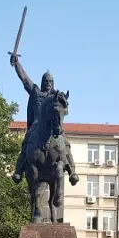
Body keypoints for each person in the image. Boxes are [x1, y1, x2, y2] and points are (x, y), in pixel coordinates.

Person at [10, 54, 79, 185]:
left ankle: (72, 171)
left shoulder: (55, 96)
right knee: (26, 144)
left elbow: (64, 106)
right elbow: (24, 78)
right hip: (37, 126)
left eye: (50, 81)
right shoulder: (36, 92)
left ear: (53, 83)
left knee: (65, 143)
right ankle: (18, 170)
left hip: (53, 126)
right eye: (46, 81)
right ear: (43, 82)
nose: (48, 83)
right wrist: (16, 64)